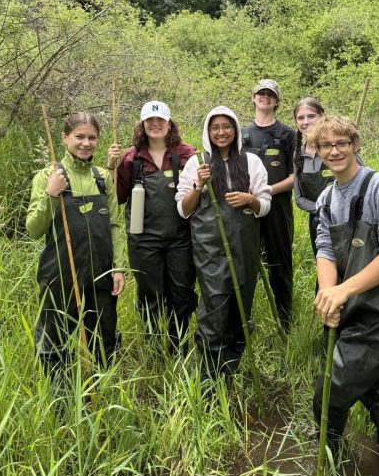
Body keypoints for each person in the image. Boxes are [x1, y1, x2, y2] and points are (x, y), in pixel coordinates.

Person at [310, 115, 379, 464]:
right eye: (326, 145)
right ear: (317, 150)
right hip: (349, 309)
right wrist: (328, 295)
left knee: (328, 395)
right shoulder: (325, 199)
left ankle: (331, 461)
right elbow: (324, 249)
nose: (334, 151)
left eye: (342, 143)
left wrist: (344, 291)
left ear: (355, 144)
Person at [176, 106, 271, 380]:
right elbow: (183, 210)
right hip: (210, 249)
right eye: (215, 127)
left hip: (245, 246)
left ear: (236, 130)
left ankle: (233, 363)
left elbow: (265, 205)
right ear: (207, 132)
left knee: (242, 300)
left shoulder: (251, 161)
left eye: (226, 126)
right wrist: (198, 185)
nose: (221, 132)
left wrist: (250, 200)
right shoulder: (197, 163)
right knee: (214, 302)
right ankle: (209, 370)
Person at [27, 112, 125, 377]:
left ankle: (102, 389)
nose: (86, 143)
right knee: (54, 339)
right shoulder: (48, 176)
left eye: (92, 138)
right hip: (59, 273)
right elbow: (34, 230)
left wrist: (118, 268)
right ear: (65, 138)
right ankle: (60, 400)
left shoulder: (103, 177)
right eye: (79, 137)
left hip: (101, 272)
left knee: (104, 336)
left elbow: (115, 225)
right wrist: (50, 193)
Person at [107, 101, 197, 358]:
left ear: (169, 124)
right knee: (150, 292)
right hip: (143, 239)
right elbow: (117, 197)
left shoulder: (187, 154)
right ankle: (155, 346)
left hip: (181, 238)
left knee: (181, 291)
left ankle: (179, 343)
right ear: (142, 124)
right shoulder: (130, 157)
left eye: (160, 120)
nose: (155, 125)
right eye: (150, 120)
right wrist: (111, 167)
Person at [242, 79, 296, 331]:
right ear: (253, 97)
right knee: (246, 263)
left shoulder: (288, 135)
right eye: (261, 93)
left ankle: (285, 319)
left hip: (278, 210)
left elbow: (296, 176)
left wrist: (266, 192)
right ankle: (245, 319)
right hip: (246, 210)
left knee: (280, 263)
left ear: (276, 101)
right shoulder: (240, 134)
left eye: (270, 94)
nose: (265, 97)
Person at [293, 97, 327, 256]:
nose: (306, 122)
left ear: (322, 116)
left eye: (311, 116)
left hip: (348, 221)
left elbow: (363, 181)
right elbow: (299, 198)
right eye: (301, 118)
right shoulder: (297, 155)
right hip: (318, 223)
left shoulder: (336, 147)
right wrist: (322, 210)